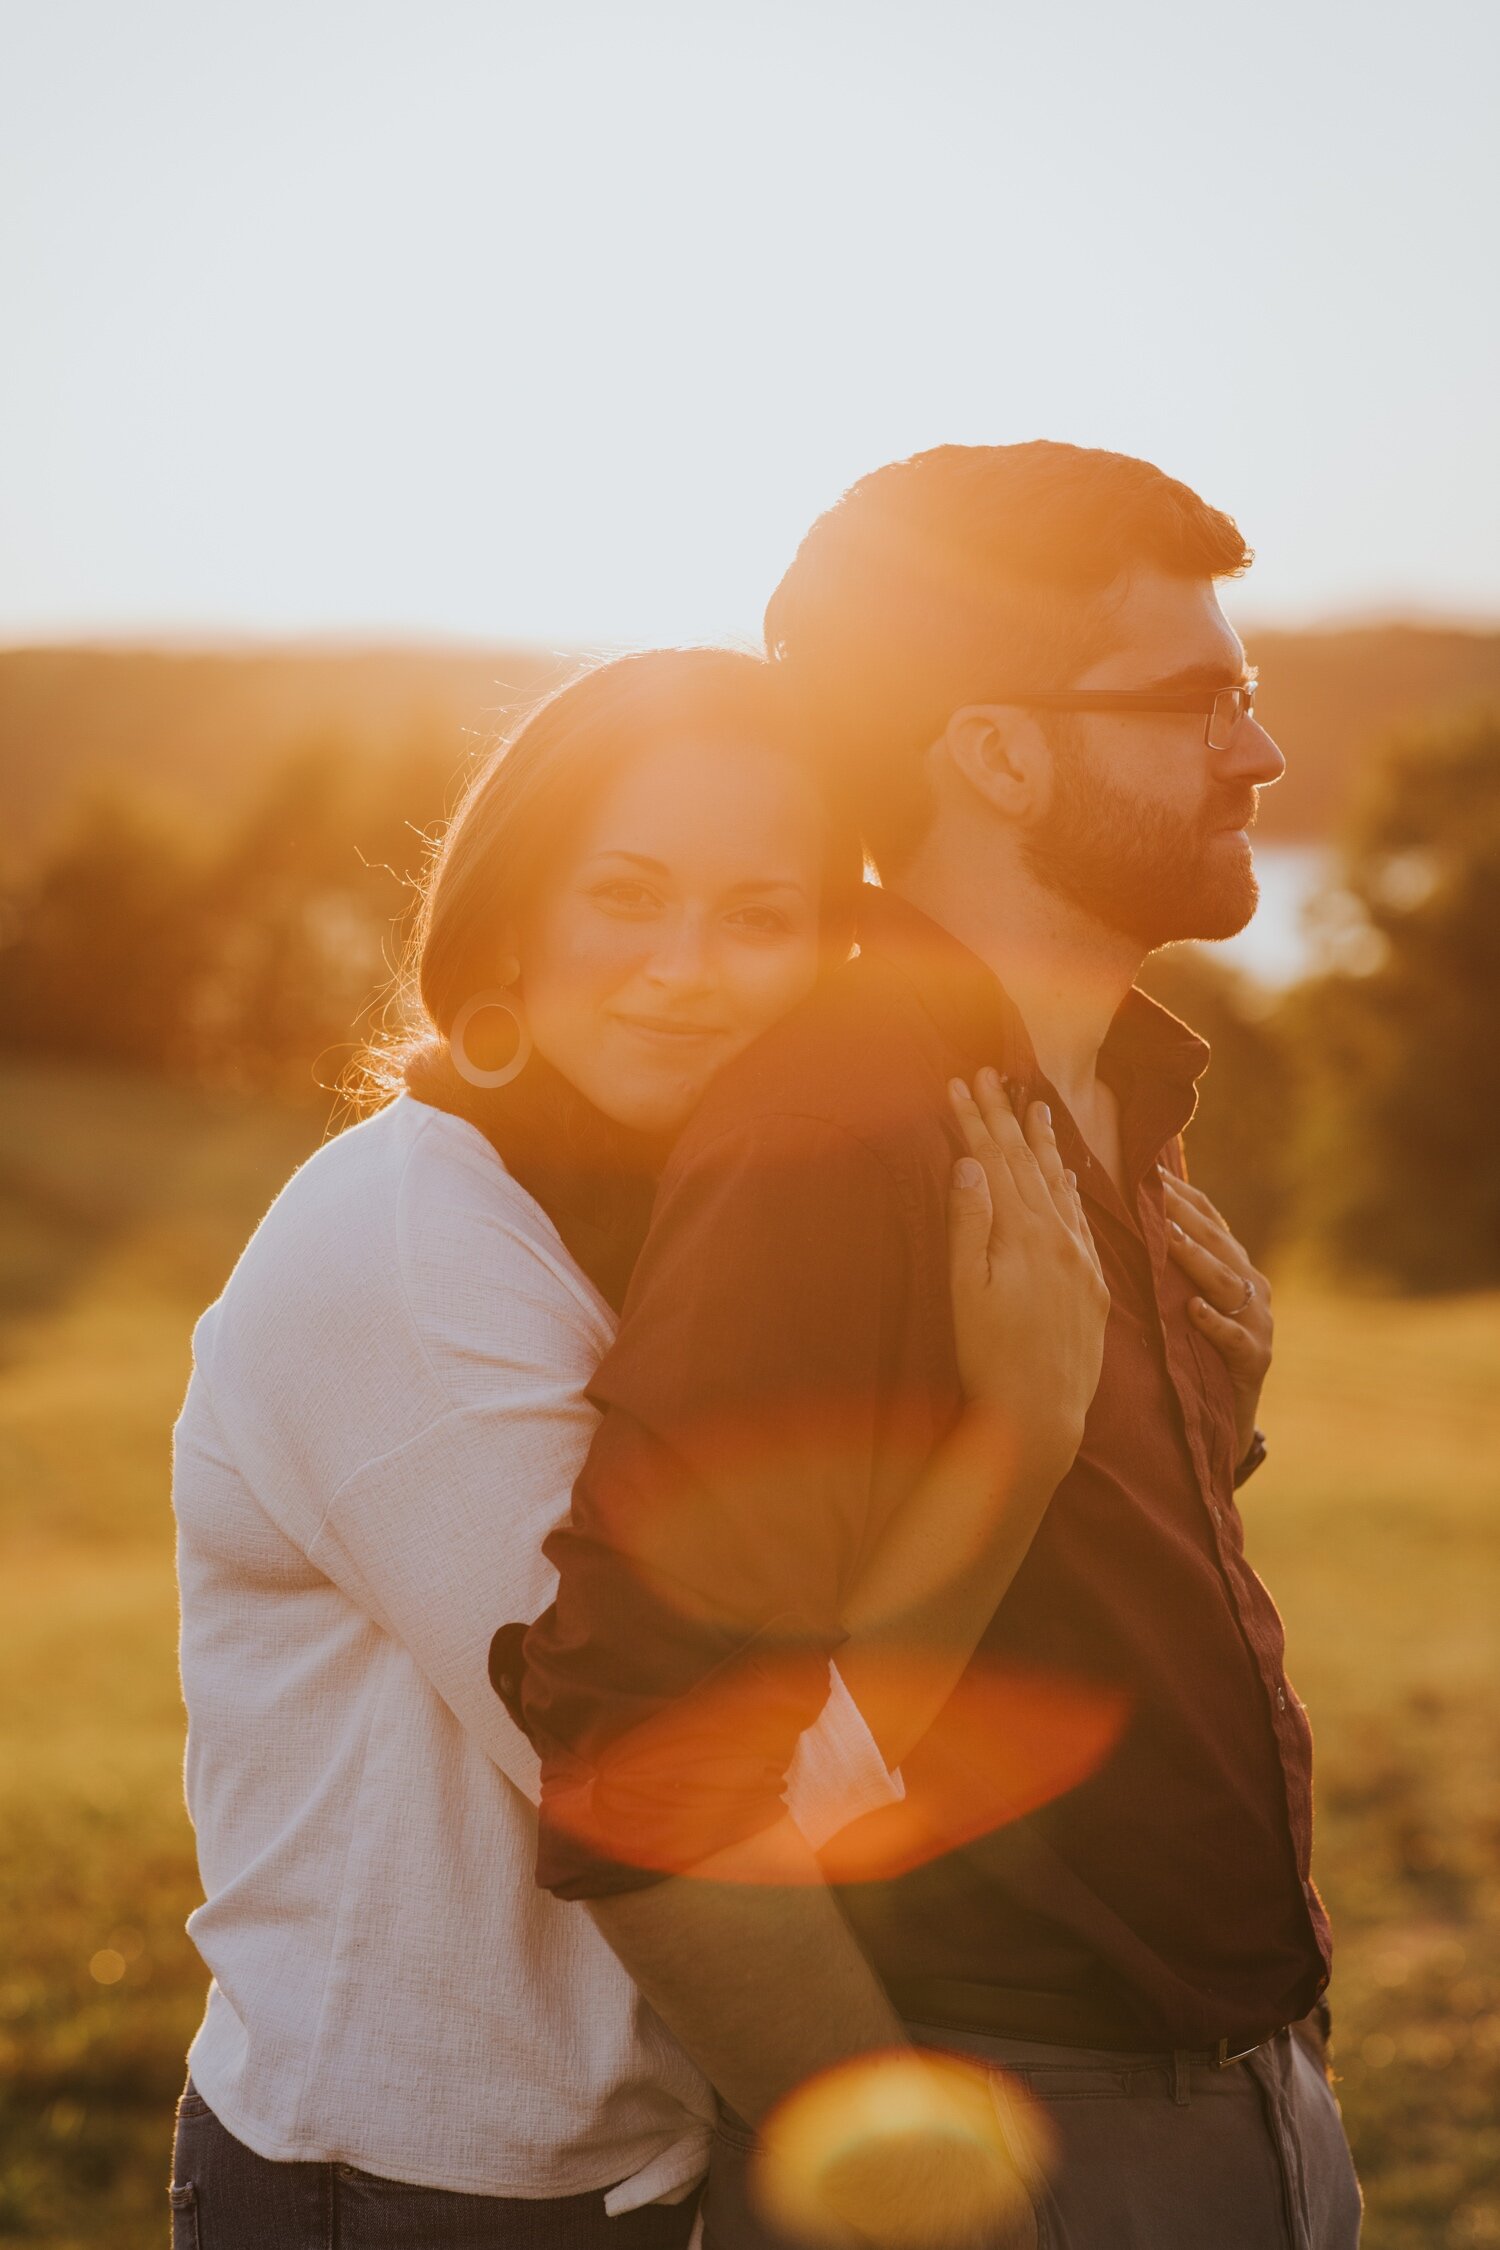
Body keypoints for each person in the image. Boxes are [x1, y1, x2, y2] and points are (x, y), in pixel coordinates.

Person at [511, 447, 1364, 2248]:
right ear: (996, 750)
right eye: (1200, 698)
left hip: (1245, 2103)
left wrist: (1218, 1433)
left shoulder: (1108, 1092)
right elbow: (646, 1772)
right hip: (1017, 2131)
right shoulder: (841, 1129)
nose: (1258, 751)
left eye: (1253, 692)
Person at [168, 647, 1113, 2248]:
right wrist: (1020, 1444)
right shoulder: (411, 1254)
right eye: (627, 894)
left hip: (621, 2174)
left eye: (762, 914)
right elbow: (742, 1797)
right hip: (405, 2191)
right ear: (513, 921)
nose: (691, 968)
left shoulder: (648, 1229)